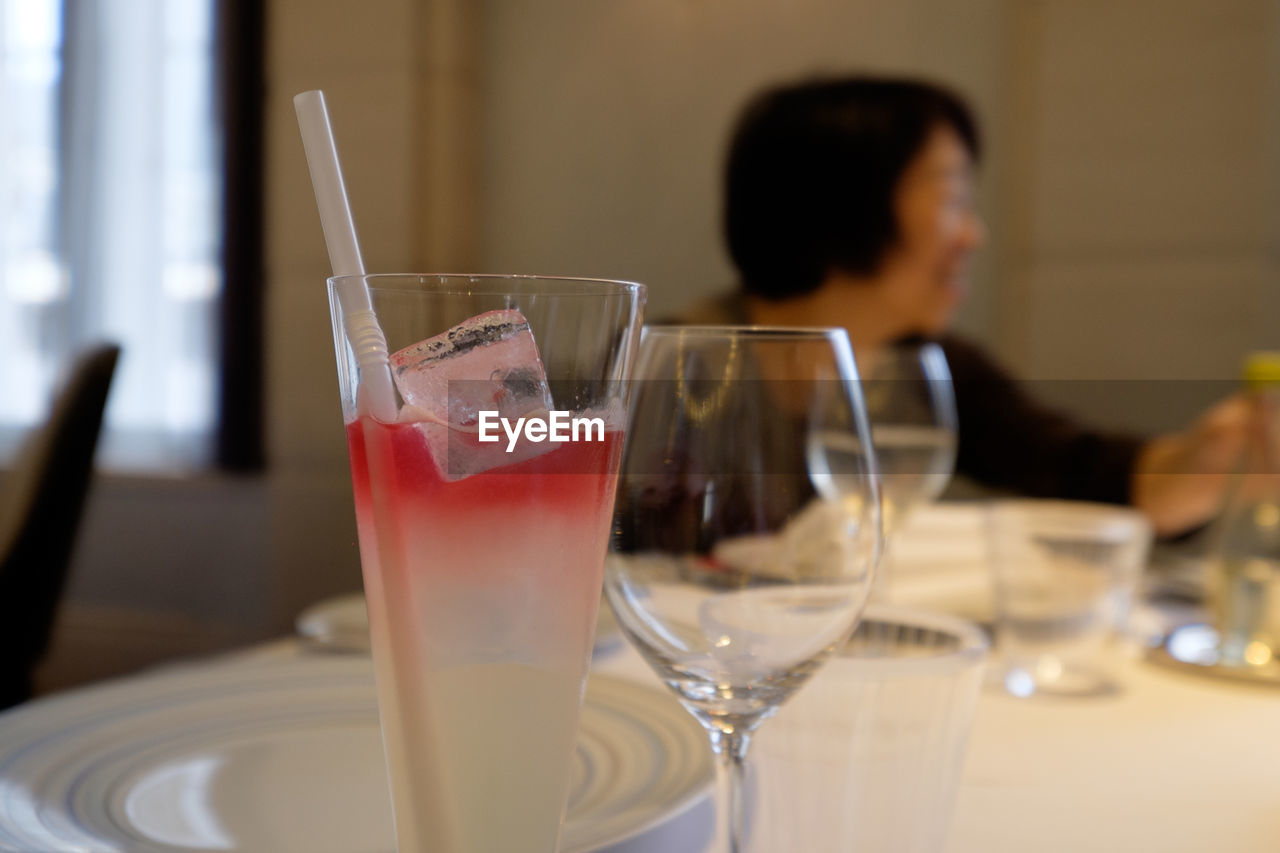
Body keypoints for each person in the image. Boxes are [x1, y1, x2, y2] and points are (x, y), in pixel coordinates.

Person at [679, 75, 1245, 538]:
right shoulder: (677, 371)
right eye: (952, 198)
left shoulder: (929, 367)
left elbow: (1072, 470)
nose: (974, 236)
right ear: (844, 204)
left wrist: (1210, 461)